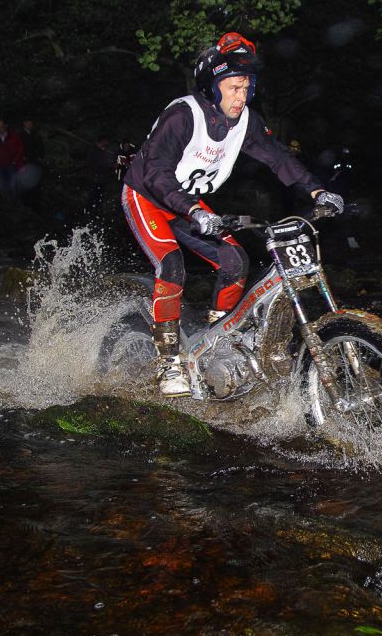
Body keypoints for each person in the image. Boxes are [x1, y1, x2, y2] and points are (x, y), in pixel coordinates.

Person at [121, 32, 344, 397]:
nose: (242, 97)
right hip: (146, 197)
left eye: (247, 88)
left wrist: (317, 191)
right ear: (213, 87)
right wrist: (193, 210)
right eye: (234, 88)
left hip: (188, 202)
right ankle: (168, 361)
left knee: (235, 260)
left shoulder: (245, 121)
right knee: (172, 265)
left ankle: (216, 341)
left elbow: (277, 157)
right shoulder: (182, 116)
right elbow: (156, 174)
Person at [0, 119, 25, 200]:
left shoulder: (13, 136)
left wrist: (15, 160)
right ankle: (5, 201)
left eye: (0, 126)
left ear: (5, 126)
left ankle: (14, 201)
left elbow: (20, 149)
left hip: (11, 164)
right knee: (1, 184)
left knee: (12, 184)